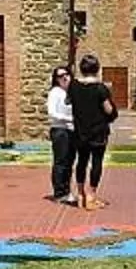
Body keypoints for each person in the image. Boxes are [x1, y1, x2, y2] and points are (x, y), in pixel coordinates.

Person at [68, 54, 118, 205]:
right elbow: (108, 110)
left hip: (80, 130)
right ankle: (91, 195)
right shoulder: (100, 89)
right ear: (97, 69)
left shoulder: (74, 87)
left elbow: (69, 102)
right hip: (98, 131)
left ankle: (80, 194)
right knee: (96, 162)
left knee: (81, 161)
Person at [45, 63, 76, 203]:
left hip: (71, 130)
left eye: (66, 75)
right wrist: (69, 119)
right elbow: (52, 113)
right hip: (60, 130)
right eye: (60, 76)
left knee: (69, 162)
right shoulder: (55, 92)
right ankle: (59, 192)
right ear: (56, 79)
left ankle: (66, 190)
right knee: (60, 161)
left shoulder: (72, 92)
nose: (64, 78)